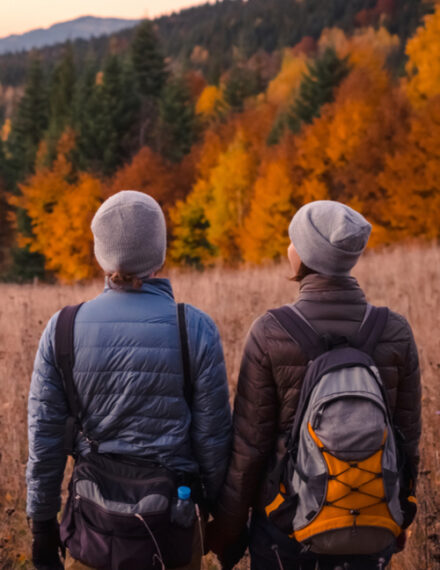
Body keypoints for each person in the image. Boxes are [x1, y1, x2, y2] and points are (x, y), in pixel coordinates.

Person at [208, 200, 421, 569]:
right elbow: (407, 442)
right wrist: (399, 515)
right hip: (372, 527)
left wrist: (227, 534)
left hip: (286, 531)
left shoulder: (271, 332)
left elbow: (249, 450)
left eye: (294, 241)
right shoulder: (395, 331)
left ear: (304, 255)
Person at [27, 190, 232, 570]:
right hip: (172, 532)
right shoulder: (195, 328)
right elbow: (214, 441)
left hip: (92, 533)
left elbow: (45, 439)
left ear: (100, 254)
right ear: (160, 252)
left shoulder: (63, 329)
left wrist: (42, 526)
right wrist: (222, 518)